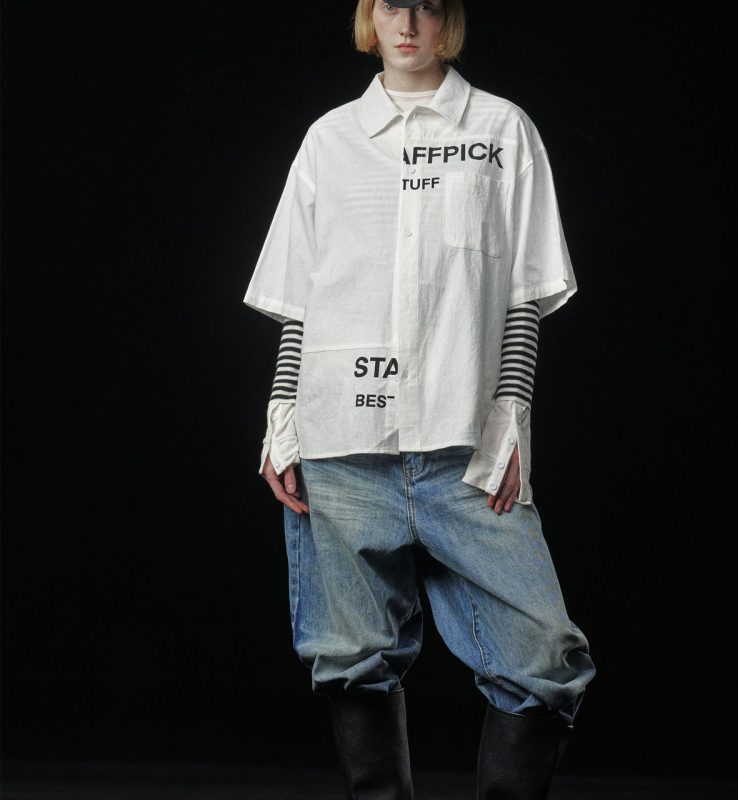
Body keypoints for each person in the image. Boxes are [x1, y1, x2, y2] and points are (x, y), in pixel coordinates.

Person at [243, 1, 597, 797]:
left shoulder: (503, 130)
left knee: (544, 660)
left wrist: (511, 416)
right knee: (352, 661)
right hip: (341, 447)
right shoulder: (330, 140)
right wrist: (281, 416)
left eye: (427, 6)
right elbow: (301, 295)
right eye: (390, 5)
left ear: (449, 21)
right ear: (370, 18)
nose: (408, 23)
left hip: (463, 449)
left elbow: (523, 293)